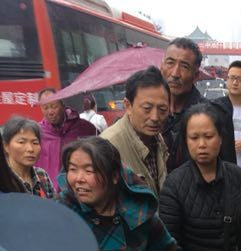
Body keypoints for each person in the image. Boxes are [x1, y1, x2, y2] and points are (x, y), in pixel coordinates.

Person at [59, 136, 193, 251]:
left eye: (89, 170)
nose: (78, 178)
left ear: (114, 176)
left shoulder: (137, 213)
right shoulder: (62, 214)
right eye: (72, 169)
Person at [159, 102, 241, 251]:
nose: (201, 144)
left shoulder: (238, 177)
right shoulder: (174, 184)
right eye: (194, 137)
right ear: (185, 140)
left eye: (208, 136)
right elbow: (169, 246)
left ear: (221, 138)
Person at [101, 67, 170, 197]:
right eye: (147, 108)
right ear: (128, 106)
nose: (155, 117)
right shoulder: (108, 145)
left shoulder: (158, 139)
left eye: (162, 109)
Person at [36, 88, 96, 187]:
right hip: (48, 191)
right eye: (45, 108)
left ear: (63, 105)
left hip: (78, 187)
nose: (50, 112)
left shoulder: (85, 128)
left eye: (54, 106)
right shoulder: (37, 132)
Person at [160, 37, 203, 172]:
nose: (175, 73)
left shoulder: (207, 116)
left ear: (196, 76)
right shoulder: (147, 112)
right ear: (161, 67)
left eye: (184, 66)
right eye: (170, 63)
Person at [213, 61, 241, 168]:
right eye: (232, 78)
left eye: (240, 79)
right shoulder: (215, 107)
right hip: (223, 169)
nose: (235, 82)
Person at [2, 116, 54, 198]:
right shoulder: (3, 178)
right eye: (21, 142)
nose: (30, 149)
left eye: (35, 143)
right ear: (6, 146)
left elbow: (52, 206)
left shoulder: (42, 175)